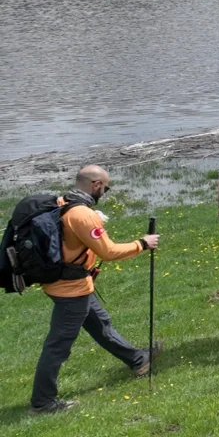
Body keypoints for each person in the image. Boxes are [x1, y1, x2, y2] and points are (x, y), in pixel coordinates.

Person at [28, 166, 160, 415]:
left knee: (101, 324)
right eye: (105, 188)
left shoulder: (63, 202)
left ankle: (138, 360)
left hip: (67, 283)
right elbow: (108, 252)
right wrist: (142, 244)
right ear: (96, 184)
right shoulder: (82, 214)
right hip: (71, 290)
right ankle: (42, 403)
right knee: (58, 345)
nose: (105, 193)